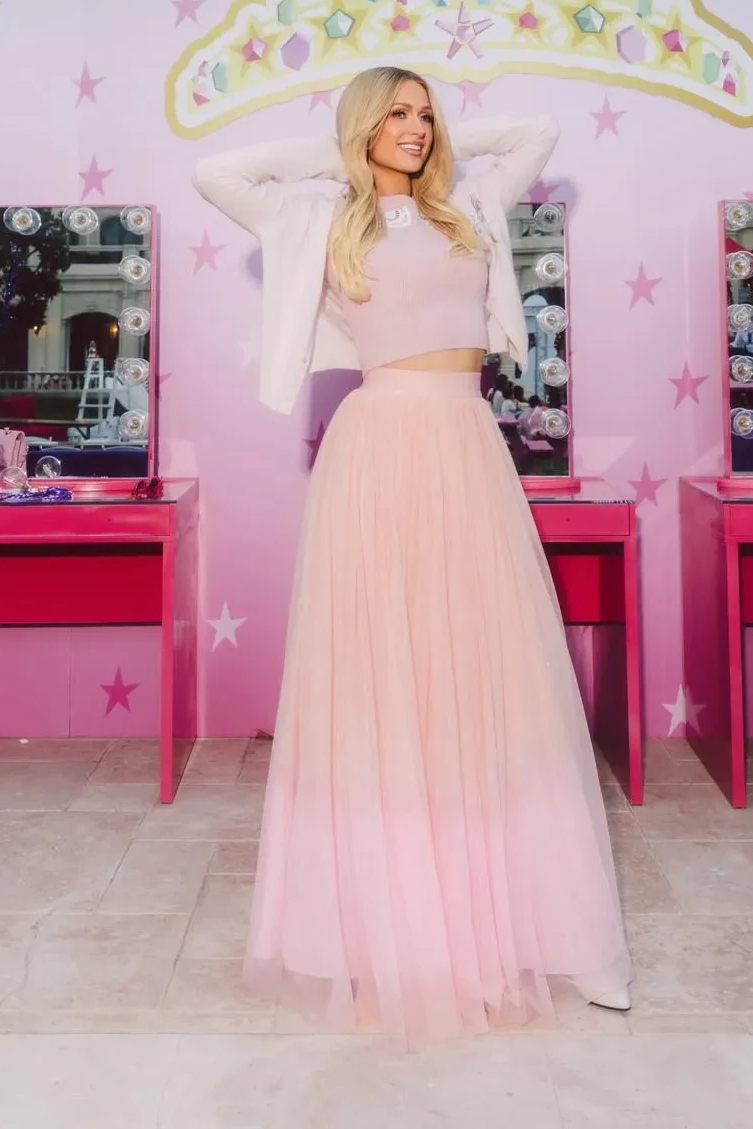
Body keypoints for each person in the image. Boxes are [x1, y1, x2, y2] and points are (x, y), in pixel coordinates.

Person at [192, 65, 631, 1042]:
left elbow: (537, 131)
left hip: (467, 441)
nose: (418, 128)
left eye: (426, 115)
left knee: (487, 674)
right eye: (397, 113)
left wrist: (430, 147)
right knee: (384, 674)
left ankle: (554, 933)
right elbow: (217, 172)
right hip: (379, 444)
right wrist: (347, 152)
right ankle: (392, 926)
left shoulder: (468, 205)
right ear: (362, 125)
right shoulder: (320, 220)